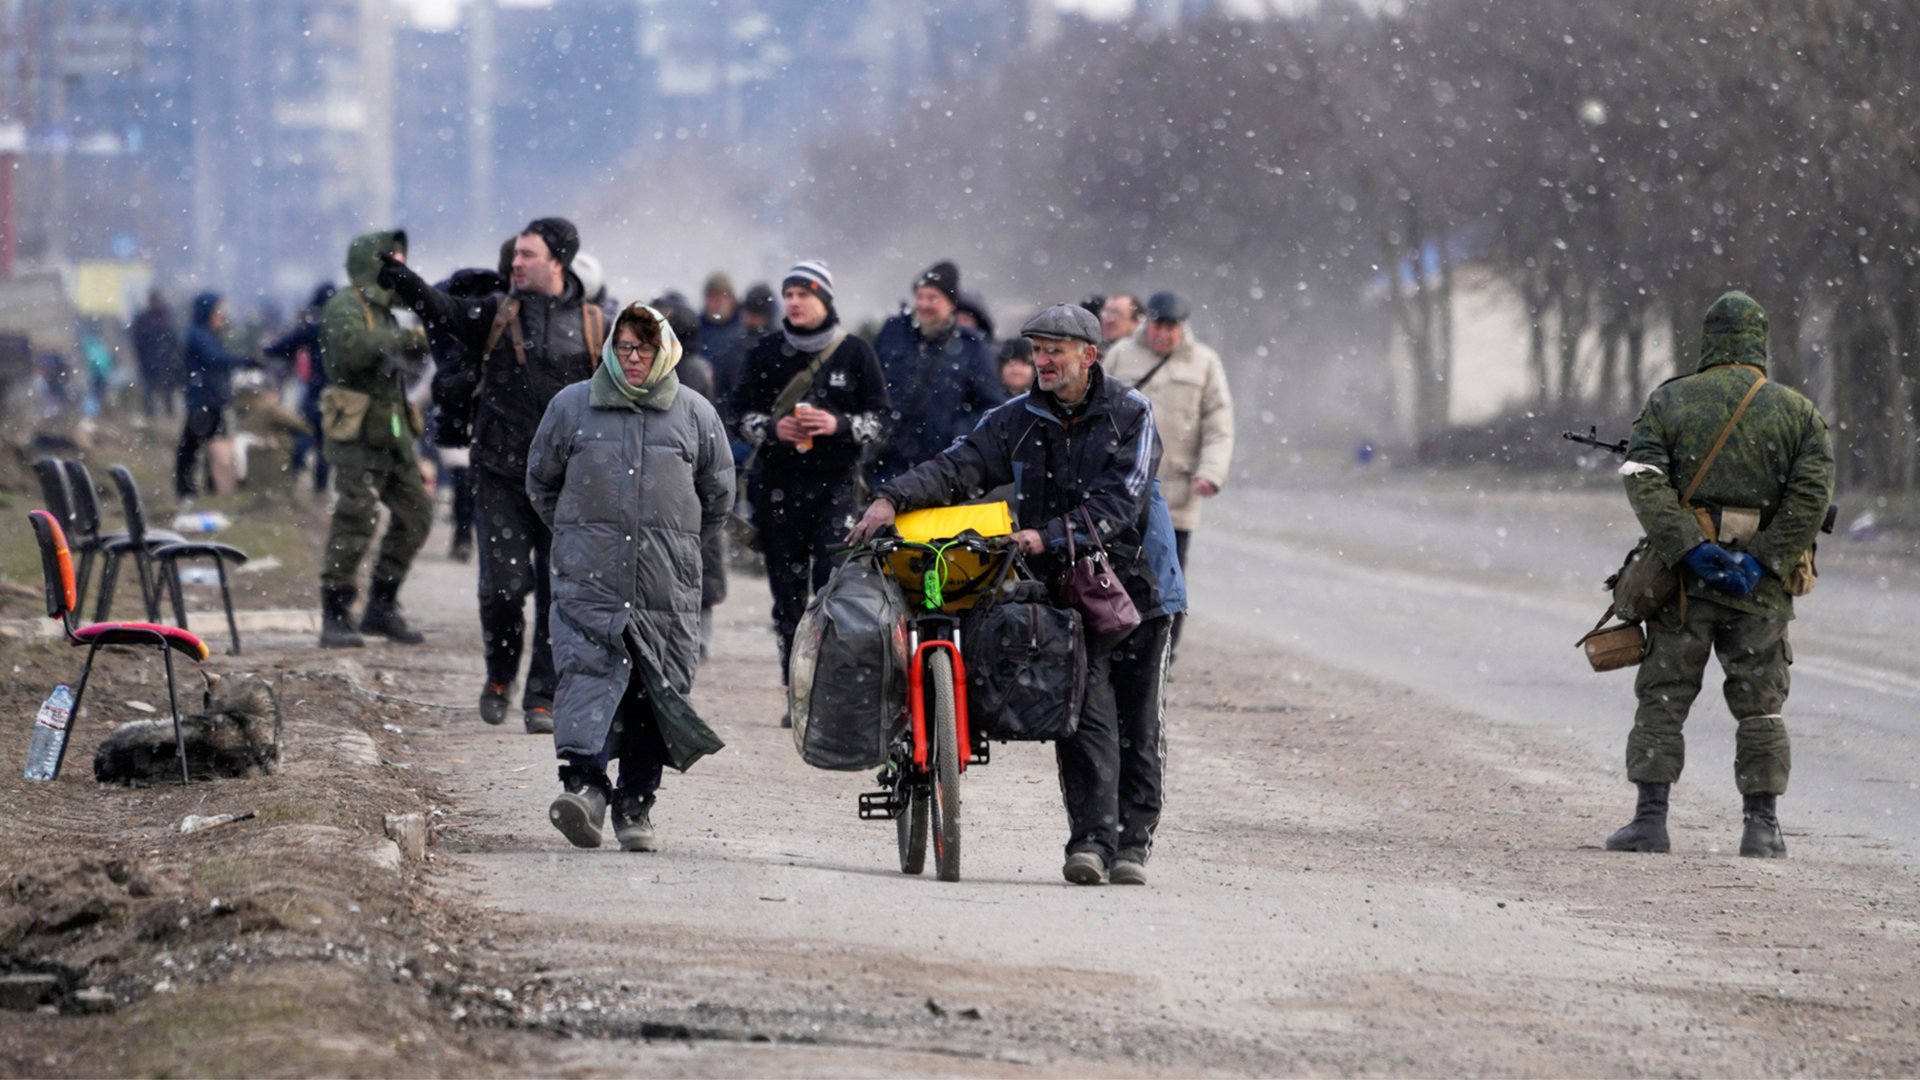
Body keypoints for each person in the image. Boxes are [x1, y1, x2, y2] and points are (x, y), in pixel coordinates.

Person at [848, 303, 1171, 887]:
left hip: (1140, 586)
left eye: (1055, 351)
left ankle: (1133, 844)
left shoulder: (1132, 413)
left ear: (1088, 357)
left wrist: (1043, 535)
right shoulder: (1018, 417)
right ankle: (1092, 844)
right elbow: (960, 464)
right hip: (1068, 587)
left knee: (1137, 721)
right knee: (1084, 714)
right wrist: (891, 498)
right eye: (1037, 350)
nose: (1042, 361)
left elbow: (1120, 503)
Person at [1606, 291, 1834, 859]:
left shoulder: (1671, 401)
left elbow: (1642, 476)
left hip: (1681, 584)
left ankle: (1650, 822)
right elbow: (1812, 498)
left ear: (1707, 340)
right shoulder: (1799, 413)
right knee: (1761, 704)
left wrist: (1688, 547)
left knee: (1663, 696)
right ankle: (1761, 827)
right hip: (1760, 591)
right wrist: (1765, 558)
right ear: (1761, 341)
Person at [379, 217, 607, 733]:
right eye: (516, 254)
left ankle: (542, 697)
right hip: (500, 471)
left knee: (559, 594)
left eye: (528, 255)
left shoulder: (597, 325)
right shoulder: (497, 312)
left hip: (569, 482)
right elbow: (444, 309)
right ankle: (500, 675)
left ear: (558, 262)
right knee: (503, 587)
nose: (515, 263)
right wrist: (405, 279)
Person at [527, 303, 734, 851]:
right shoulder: (572, 407)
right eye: (624, 346)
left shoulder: (694, 414)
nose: (634, 357)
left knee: (654, 690)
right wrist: (582, 534)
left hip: (664, 586)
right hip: (588, 576)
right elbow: (542, 483)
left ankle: (635, 804)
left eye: (644, 347)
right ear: (609, 349)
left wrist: (672, 540)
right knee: (585, 672)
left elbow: (717, 498)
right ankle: (584, 788)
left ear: (664, 350)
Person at [728, 260, 890, 724]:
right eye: (790, 294)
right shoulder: (766, 353)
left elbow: (881, 421)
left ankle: (829, 692)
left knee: (833, 594)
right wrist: (773, 427)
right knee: (787, 599)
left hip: (835, 489)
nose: (795, 302)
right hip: (777, 489)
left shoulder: (855, 353)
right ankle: (795, 694)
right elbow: (738, 413)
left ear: (825, 299)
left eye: (805, 293)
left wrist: (838, 424)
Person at [316, 230, 435, 649]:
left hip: (394, 434)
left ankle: (381, 607)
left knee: (416, 514)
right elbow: (352, 351)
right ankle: (335, 612)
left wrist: (414, 343)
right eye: (394, 262)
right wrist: (408, 339)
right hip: (357, 437)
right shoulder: (345, 306)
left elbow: (400, 357)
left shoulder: (385, 312)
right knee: (355, 521)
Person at [1102, 290, 1234, 653]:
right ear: (1148, 322)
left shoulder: (1204, 363)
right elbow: (1098, 409)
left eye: (1172, 326)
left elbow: (1219, 423)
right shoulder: (1121, 355)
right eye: (1159, 324)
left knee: (1168, 576)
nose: (1164, 333)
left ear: (1182, 327)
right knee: (1120, 569)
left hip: (1178, 491)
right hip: (1122, 488)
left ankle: (1161, 652)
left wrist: (1211, 472)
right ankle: (1120, 646)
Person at [866, 260, 1004, 489]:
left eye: (932, 298)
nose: (923, 304)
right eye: (919, 297)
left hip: (937, 470)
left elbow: (992, 407)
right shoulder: (893, 331)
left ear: (951, 304)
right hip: (884, 463)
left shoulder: (971, 346)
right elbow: (868, 382)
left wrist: (954, 436)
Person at [176, 292, 256, 499]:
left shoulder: (205, 334)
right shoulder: (199, 335)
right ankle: (191, 490)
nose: (222, 317)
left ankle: (206, 487)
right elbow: (215, 359)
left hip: (210, 400)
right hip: (203, 400)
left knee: (205, 446)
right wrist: (245, 360)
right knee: (197, 446)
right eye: (218, 312)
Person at [263, 282, 338, 495]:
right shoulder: (342, 327)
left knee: (305, 431)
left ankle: (292, 476)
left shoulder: (313, 327)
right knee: (326, 442)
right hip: (336, 393)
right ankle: (320, 489)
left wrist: (266, 350)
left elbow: (285, 345)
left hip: (315, 391)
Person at [130, 289, 181, 420]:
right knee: (150, 391)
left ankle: (168, 415)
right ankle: (151, 416)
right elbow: (138, 341)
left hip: (163, 361)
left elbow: (172, 339)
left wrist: (172, 356)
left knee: (166, 391)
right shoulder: (145, 319)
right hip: (149, 362)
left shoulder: (165, 318)